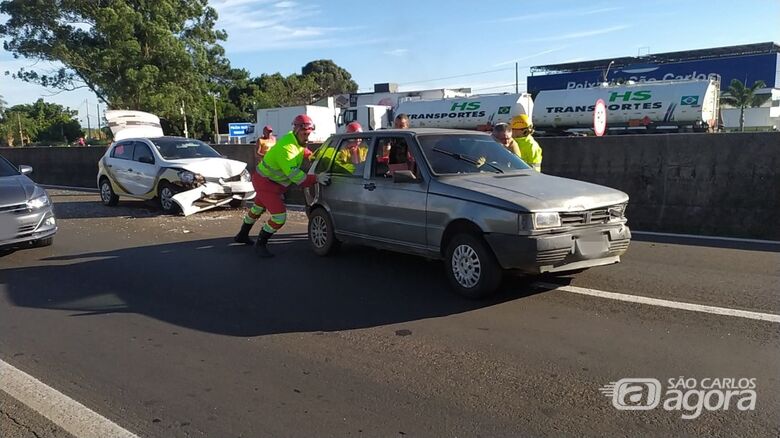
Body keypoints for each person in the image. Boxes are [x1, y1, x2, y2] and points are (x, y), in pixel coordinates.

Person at [233, 114, 330, 257]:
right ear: (297, 130)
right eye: (304, 134)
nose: (307, 137)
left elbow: (302, 150)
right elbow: (297, 177)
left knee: (257, 208)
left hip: (268, 182)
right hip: (266, 184)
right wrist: (316, 178)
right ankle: (261, 244)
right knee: (279, 216)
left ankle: (242, 235)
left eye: (309, 134)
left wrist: (311, 155)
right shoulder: (287, 148)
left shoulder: (295, 140)